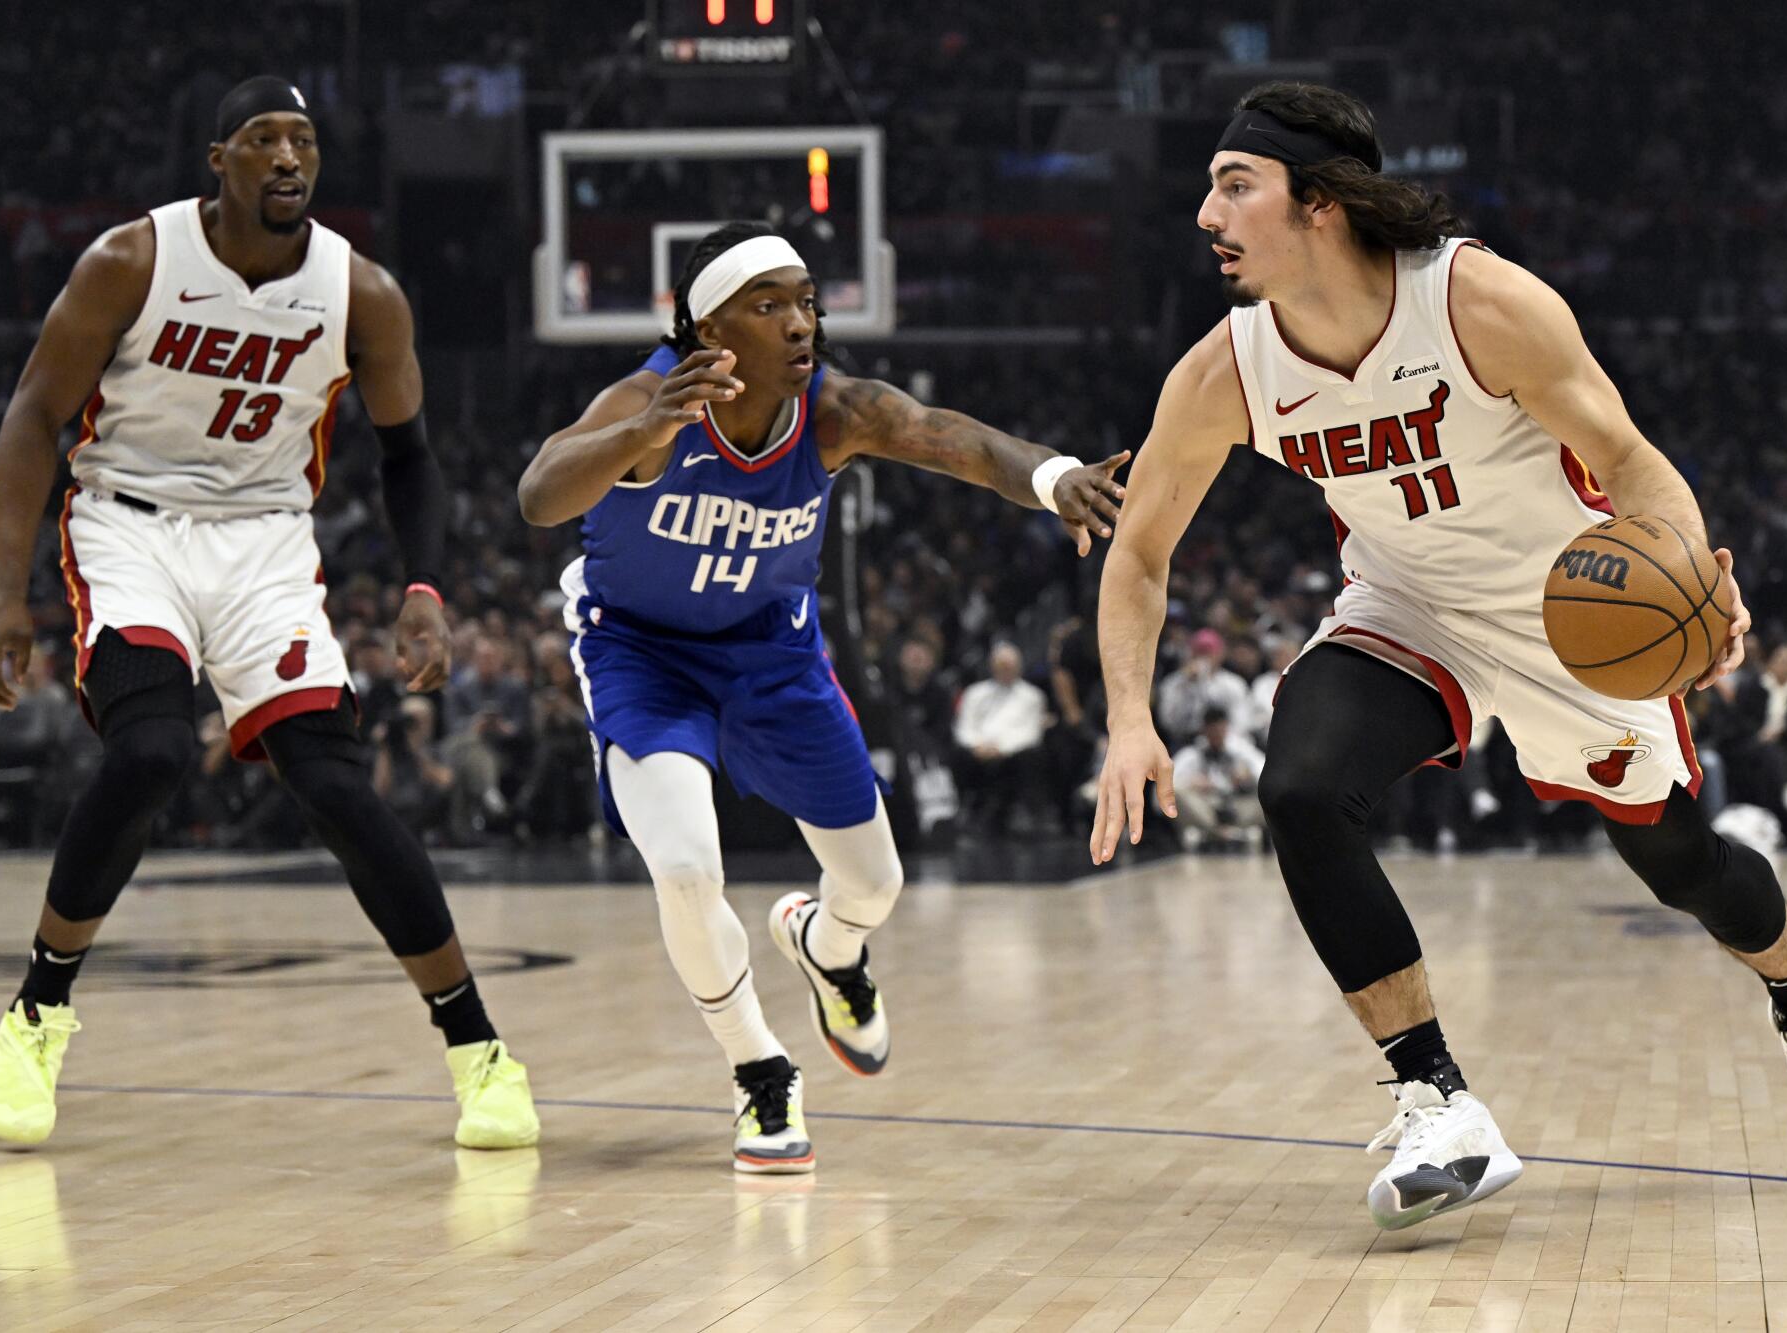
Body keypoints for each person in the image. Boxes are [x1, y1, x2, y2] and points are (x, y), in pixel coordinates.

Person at [1090, 82, 1787, 1230]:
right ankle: (1436, 1095)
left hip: (1572, 609)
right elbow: (1140, 549)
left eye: (1232, 184)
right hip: (1408, 602)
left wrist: (1693, 569)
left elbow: (1628, 455)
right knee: (1301, 786)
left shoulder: (1479, 303)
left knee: (1679, 866)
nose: (1204, 212)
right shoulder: (1227, 370)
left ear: (1317, 205)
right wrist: (1125, 717)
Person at [0, 77, 538, 1150]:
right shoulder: (131, 262)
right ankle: (38, 1011)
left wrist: (424, 586)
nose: (289, 158)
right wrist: (6, 592)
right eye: (266, 140)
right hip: (129, 524)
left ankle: (479, 1051)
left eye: (306, 142)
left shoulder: (361, 292)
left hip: (265, 538)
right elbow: (35, 415)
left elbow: (409, 457)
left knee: (334, 787)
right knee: (147, 755)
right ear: (218, 160)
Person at [518, 222, 1127, 1172]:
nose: (801, 323)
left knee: (876, 884)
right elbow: (539, 495)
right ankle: (759, 1068)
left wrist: (1054, 479)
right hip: (643, 655)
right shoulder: (648, 401)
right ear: (705, 324)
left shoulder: (836, 413)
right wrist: (643, 431)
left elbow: (954, 440)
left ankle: (826, 944)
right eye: (770, 306)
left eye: (807, 301)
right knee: (683, 869)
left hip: (772, 657)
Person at [952, 641, 1049, 833]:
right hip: (979, 749)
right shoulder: (974, 693)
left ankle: (1027, 813)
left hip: (1013, 752)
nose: (1005, 670)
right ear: (992, 666)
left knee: (1032, 756)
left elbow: (1031, 733)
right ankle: (963, 812)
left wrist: (1002, 749)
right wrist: (978, 746)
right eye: (1001, 666)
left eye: (1009, 666)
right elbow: (964, 727)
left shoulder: (1032, 696)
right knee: (956, 754)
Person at [1170, 704, 1266, 850]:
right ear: (1204, 730)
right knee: (1175, 791)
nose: (1216, 734)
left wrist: (1248, 776)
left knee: (1269, 795)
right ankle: (1224, 833)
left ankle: (1212, 834)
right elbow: (1166, 789)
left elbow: (1265, 774)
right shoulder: (1192, 754)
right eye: (1212, 731)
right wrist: (1191, 783)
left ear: (1226, 727)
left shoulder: (1242, 750)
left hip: (1238, 807)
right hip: (1207, 808)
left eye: (1220, 729)